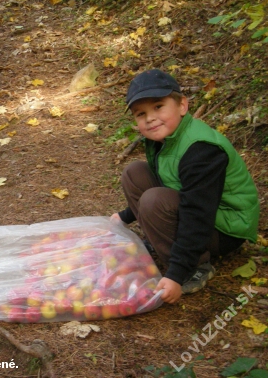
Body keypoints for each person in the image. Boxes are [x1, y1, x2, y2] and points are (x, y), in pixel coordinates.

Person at [111, 69, 259, 304]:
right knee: (135, 172)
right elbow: (170, 180)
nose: (150, 118)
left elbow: (198, 211)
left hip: (225, 228)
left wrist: (177, 274)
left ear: (182, 105)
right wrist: (125, 216)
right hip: (202, 212)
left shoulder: (202, 150)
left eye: (158, 107)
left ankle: (196, 265)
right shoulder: (166, 138)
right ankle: (161, 240)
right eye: (141, 113)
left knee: (154, 200)